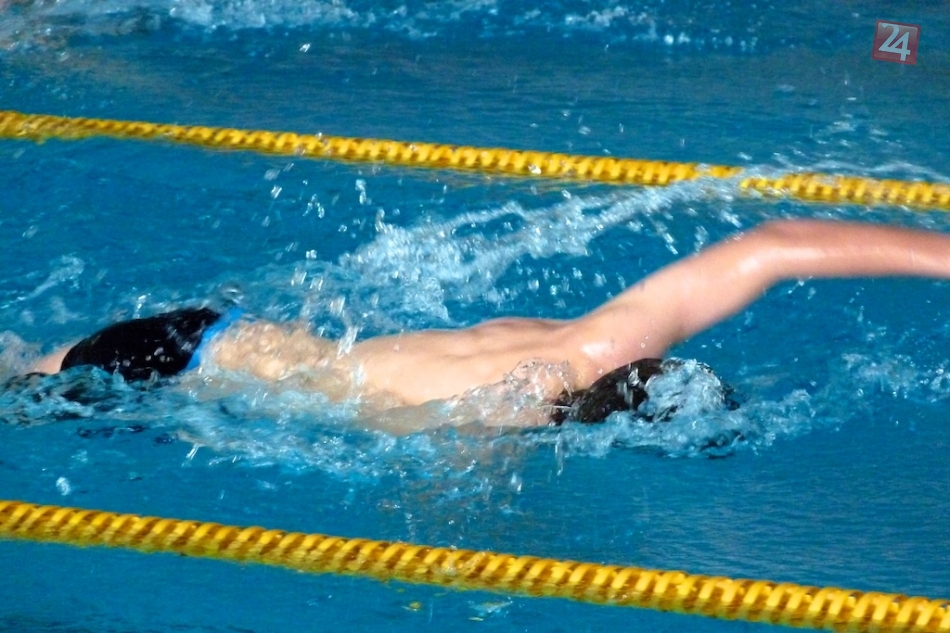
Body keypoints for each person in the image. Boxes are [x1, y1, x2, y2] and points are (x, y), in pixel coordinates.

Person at [22, 219, 950, 427]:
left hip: (213, 330)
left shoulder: (605, 337)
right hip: (169, 373)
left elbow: (776, 245)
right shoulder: (514, 410)